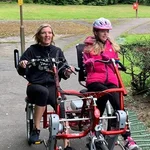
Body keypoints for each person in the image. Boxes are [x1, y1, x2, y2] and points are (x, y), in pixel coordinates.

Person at [83, 18, 139, 150]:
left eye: (107, 31)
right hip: (95, 80)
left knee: (119, 103)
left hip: (111, 81)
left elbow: (115, 61)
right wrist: (93, 61)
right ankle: (95, 130)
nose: (105, 34)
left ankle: (127, 137)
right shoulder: (89, 45)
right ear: (96, 32)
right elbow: (86, 61)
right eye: (102, 31)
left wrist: (117, 63)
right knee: (105, 94)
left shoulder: (111, 46)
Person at [17, 24, 75, 150]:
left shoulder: (57, 51)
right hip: (35, 86)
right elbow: (21, 70)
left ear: (52, 35)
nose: (47, 35)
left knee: (61, 101)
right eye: (44, 33)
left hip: (53, 86)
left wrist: (67, 71)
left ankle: (66, 143)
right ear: (39, 35)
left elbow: (63, 72)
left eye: (49, 33)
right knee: (43, 92)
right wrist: (22, 65)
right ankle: (36, 129)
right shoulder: (31, 50)